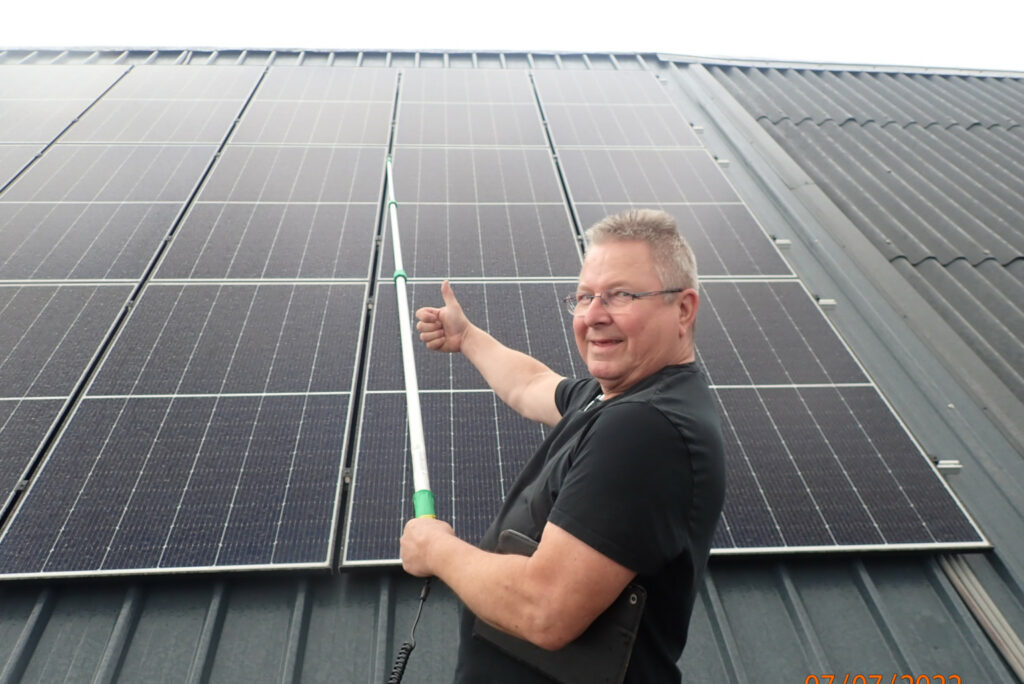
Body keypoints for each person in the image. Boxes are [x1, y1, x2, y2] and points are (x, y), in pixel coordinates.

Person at [400, 209, 726, 683]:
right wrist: (467, 337)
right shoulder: (612, 397)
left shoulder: (646, 429)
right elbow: (530, 384)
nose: (594, 315)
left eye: (621, 295)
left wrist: (436, 549)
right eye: (584, 297)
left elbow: (544, 609)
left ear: (683, 309)